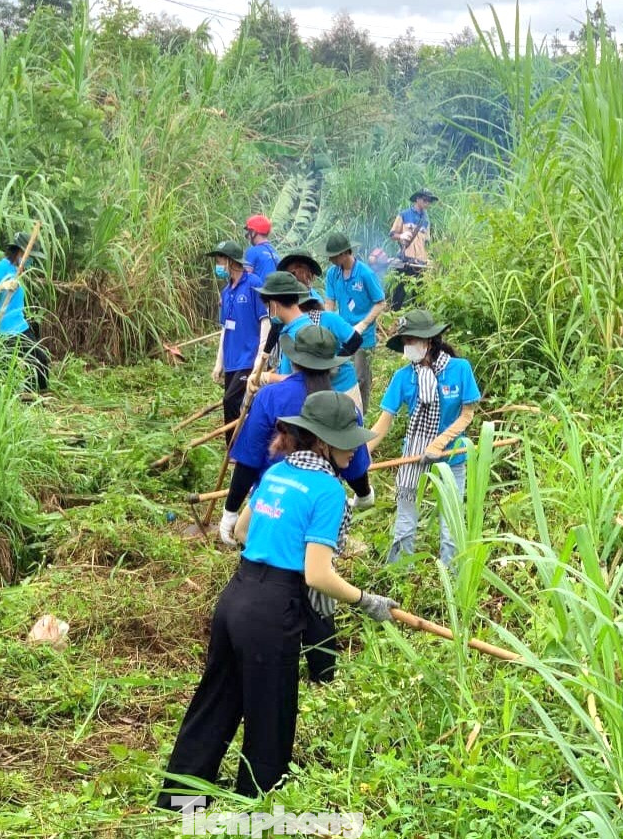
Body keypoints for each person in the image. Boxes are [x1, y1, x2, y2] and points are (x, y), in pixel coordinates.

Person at [157, 392, 398, 808]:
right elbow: (318, 574)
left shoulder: (278, 473)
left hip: (235, 598)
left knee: (216, 699)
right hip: (273, 609)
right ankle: (257, 806)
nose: (355, 448)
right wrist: (366, 601)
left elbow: (244, 532)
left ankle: (181, 800)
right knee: (271, 713)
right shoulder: (328, 491)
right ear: (322, 441)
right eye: (348, 440)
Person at [220, 326, 375, 683]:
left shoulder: (274, 405)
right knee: (319, 593)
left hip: (265, 533)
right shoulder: (341, 411)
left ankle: (322, 676)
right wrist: (364, 494)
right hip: (283, 588)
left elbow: (247, 459)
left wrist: (231, 509)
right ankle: (324, 676)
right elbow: (354, 464)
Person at [367, 310, 481, 566]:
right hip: (414, 456)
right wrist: (360, 454)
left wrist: (440, 443)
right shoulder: (403, 377)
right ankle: (399, 572)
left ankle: (452, 579)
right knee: (405, 522)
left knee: (450, 524)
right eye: (404, 341)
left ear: (429, 340)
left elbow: (467, 414)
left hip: (451, 457)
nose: (408, 347)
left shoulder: (459, 369)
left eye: (411, 341)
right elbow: (383, 423)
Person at [252, 271, 363, 406]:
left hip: (341, 387)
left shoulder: (323, 322)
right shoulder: (288, 329)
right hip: (319, 393)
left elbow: (355, 339)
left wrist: (335, 362)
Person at [205, 240, 270, 427]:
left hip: (248, 359)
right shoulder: (226, 292)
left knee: (231, 401)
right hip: (232, 361)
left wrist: (260, 359)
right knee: (235, 406)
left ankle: (236, 450)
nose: (218, 265)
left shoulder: (253, 284)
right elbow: (225, 329)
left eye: (220, 260)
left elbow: (265, 321)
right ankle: (233, 450)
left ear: (232, 261)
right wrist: (219, 363)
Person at [323, 233, 387, 414]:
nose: (330, 259)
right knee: (337, 371)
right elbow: (329, 300)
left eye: (333, 256)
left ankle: (360, 414)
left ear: (344, 254)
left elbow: (380, 302)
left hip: (362, 337)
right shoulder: (332, 274)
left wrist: (363, 325)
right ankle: (340, 410)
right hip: (342, 333)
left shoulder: (365, 273)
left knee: (361, 378)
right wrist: (328, 325)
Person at [0, 230, 50, 393]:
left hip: (20, 324)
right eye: (29, 255)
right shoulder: (3, 266)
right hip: (4, 327)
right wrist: (2, 286)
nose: (31, 260)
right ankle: (12, 400)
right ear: (19, 252)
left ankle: (37, 395)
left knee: (40, 359)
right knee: (6, 367)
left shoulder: (17, 269)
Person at [387, 190, 438, 309]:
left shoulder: (426, 220)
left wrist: (429, 258)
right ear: (417, 199)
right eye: (425, 200)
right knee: (399, 294)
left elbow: (426, 242)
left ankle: (417, 322)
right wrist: (401, 236)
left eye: (429, 201)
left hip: (421, 263)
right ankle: (393, 320)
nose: (427, 203)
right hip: (406, 261)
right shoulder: (404, 215)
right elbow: (392, 234)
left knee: (419, 296)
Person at [242, 215, 279, 282]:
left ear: (253, 232)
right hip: (273, 291)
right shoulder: (274, 251)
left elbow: (245, 278)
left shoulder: (253, 251)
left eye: (248, 233)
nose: (248, 237)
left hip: (259, 291)